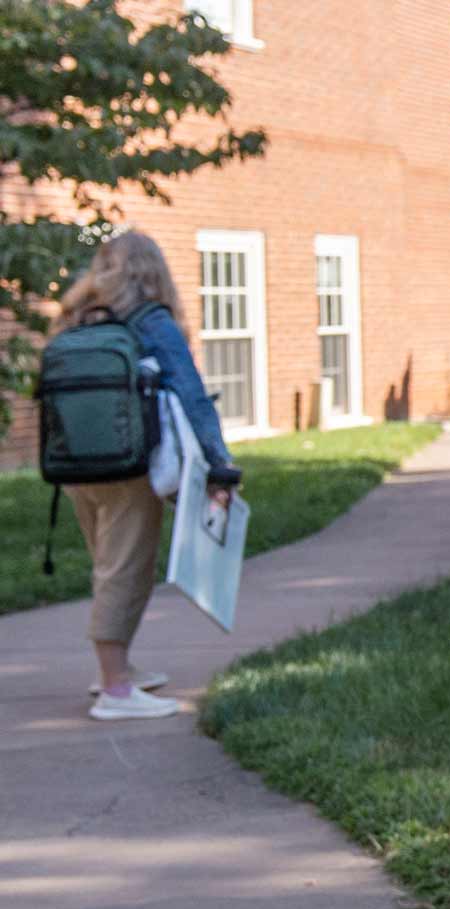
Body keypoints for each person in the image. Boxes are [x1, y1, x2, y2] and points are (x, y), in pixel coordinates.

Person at [53, 232, 240, 721]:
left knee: (108, 566)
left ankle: (119, 670)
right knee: (126, 571)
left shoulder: (77, 317)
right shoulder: (151, 321)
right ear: (153, 270)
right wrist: (220, 465)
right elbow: (193, 395)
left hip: (75, 466)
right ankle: (114, 690)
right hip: (132, 466)